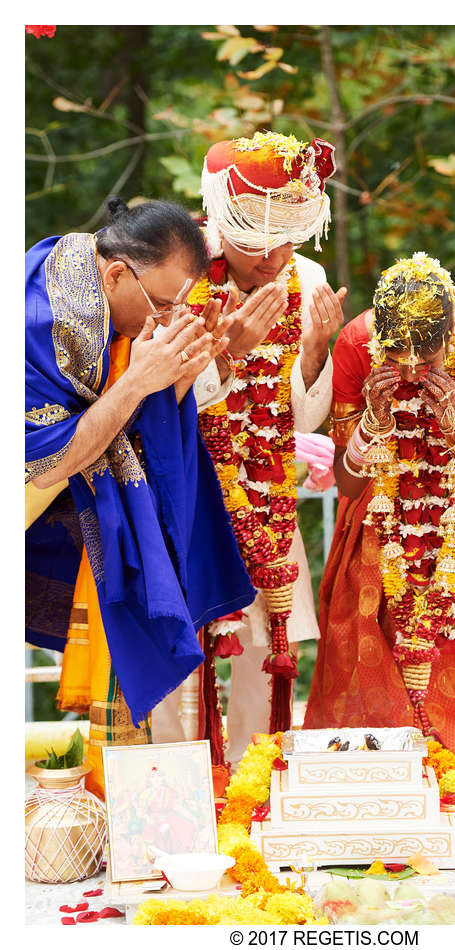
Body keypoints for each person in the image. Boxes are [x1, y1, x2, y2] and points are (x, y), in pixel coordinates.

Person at [25, 197, 259, 796]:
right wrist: (141, 379)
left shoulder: (97, 280)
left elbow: (127, 420)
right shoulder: (41, 321)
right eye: (160, 305)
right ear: (115, 273)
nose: (163, 318)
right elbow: (51, 458)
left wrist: (187, 367)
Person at [304, 253, 455, 806]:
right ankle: (384, 780)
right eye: (396, 354)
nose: (408, 370)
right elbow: (348, 485)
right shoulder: (357, 346)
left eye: (425, 356)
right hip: (382, 529)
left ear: (450, 333)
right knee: (371, 644)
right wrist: (372, 426)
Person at [162, 131, 346, 765]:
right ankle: (175, 791)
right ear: (219, 222)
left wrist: (318, 351)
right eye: (257, 241)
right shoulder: (179, 273)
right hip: (187, 493)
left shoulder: (308, 277)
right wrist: (226, 353)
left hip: (268, 494)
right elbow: (157, 397)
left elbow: (300, 415)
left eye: (289, 239)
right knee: (186, 640)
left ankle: (253, 782)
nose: (274, 258)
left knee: (270, 640)